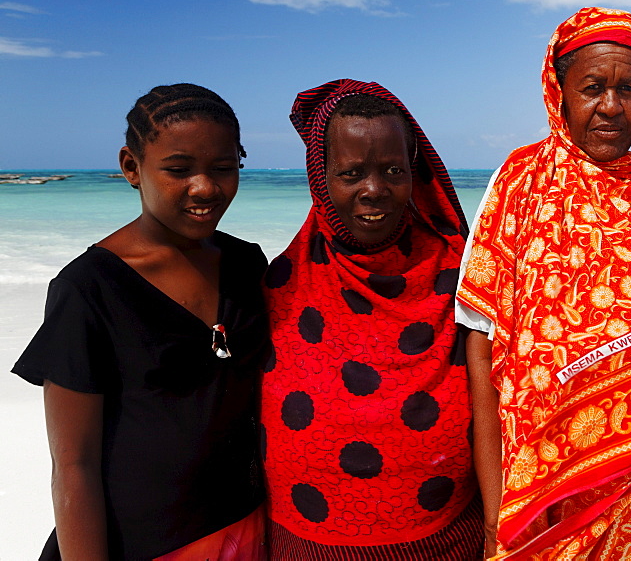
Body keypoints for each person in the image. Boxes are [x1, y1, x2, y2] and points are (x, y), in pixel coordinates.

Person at [456, 7, 631, 559]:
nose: (611, 106)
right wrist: (494, 517)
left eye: (628, 89)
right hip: (546, 499)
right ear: (559, 92)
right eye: (592, 88)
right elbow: (480, 347)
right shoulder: (520, 183)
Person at [12, 84, 270, 560]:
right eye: (178, 170)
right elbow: (74, 466)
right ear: (132, 167)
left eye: (224, 168)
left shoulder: (246, 265)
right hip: (140, 544)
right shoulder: (90, 289)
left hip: (244, 530)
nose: (205, 188)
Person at [260, 79, 483, 559]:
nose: (374, 190)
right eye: (351, 172)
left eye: (393, 170)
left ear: (414, 171)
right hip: (306, 546)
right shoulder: (279, 285)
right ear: (320, 178)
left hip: (448, 543)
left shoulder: (464, 276)